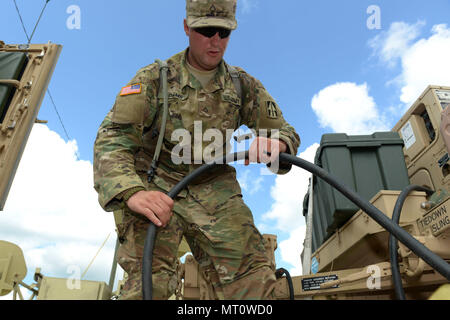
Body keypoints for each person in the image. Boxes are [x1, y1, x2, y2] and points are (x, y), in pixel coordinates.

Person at [93, 0, 300, 300]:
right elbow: (113, 139)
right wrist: (133, 192)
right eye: (206, 30)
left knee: (255, 287)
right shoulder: (154, 79)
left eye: (223, 32)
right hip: (155, 188)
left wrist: (278, 142)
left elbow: (285, 130)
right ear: (187, 27)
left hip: (216, 192)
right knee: (150, 287)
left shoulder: (242, 85)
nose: (215, 41)